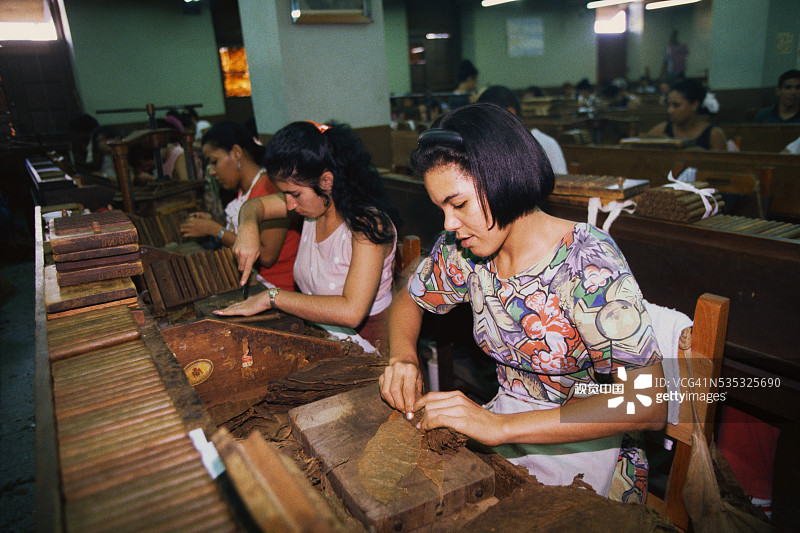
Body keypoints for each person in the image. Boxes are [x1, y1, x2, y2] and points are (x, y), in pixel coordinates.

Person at [379, 103, 666, 501]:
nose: (448, 224)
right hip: (508, 437)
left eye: (458, 204)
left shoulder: (586, 262)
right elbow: (410, 300)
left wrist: (499, 428)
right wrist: (403, 357)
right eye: (440, 208)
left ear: (502, 180)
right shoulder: (466, 252)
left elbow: (648, 404)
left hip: (591, 448)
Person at [215, 120, 402, 352]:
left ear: (326, 181)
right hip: (325, 336)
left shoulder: (367, 226)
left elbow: (351, 312)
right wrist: (248, 228)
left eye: (295, 194)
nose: (290, 205)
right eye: (286, 195)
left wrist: (271, 297)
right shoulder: (311, 206)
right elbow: (254, 207)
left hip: (373, 348)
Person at [180, 120, 300, 290]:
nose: (212, 171)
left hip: (276, 288)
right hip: (255, 284)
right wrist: (214, 224)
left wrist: (215, 230)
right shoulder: (244, 191)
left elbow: (266, 255)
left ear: (236, 152)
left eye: (214, 162)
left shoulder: (269, 187)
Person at [476, 85, 568, 175]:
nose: (504, 128)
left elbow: (561, 185)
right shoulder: (480, 146)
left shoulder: (545, 144)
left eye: (510, 120)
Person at [646, 78, 727, 150]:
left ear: (694, 105)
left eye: (676, 105)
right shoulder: (660, 130)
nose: (670, 110)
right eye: (669, 105)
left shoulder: (714, 135)